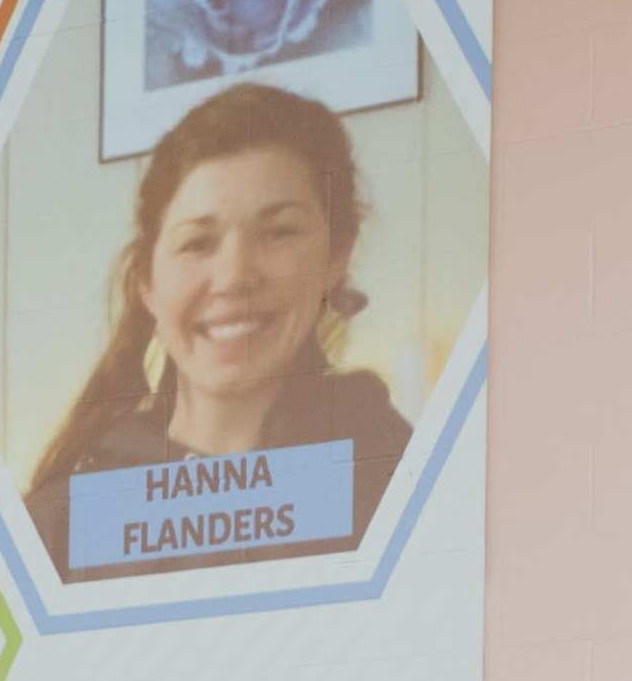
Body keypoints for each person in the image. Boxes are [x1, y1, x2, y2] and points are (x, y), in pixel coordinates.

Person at [22, 84, 414, 578]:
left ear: (337, 258)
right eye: (198, 243)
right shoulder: (62, 524)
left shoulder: (411, 489)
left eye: (279, 233)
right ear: (148, 284)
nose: (233, 277)